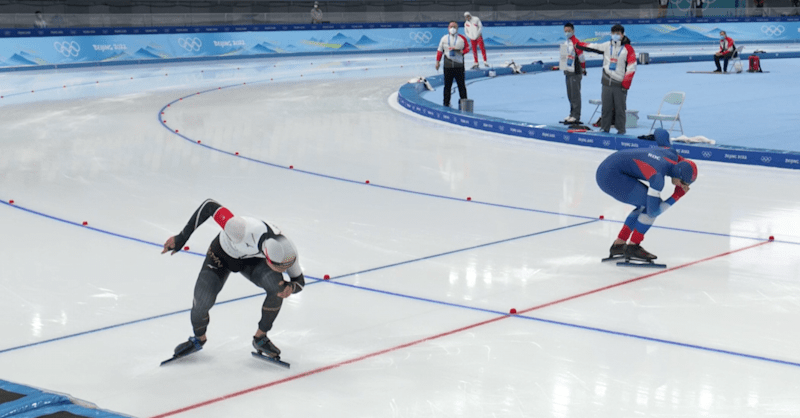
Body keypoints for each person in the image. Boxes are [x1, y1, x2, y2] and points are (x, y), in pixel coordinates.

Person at [161, 199, 305, 359]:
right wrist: (182, 237)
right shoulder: (239, 229)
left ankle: (260, 338)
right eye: (282, 268)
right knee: (202, 300)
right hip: (221, 255)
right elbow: (209, 206)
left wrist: (290, 288)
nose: (285, 270)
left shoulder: (288, 252)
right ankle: (198, 339)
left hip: (252, 261)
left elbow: (299, 281)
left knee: (277, 287)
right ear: (269, 259)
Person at [596, 129, 698, 261]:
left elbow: (660, 132)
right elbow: (653, 211)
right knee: (650, 206)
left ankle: (619, 244)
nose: (682, 186)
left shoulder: (671, 153)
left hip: (612, 167)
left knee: (644, 203)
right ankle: (633, 247)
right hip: (610, 177)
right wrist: (676, 196)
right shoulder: (657, 177)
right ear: (678, 176)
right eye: (683, 183)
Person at [576, 24, 636, 135]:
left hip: (620, 84)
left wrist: (626, 83)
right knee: (606, 109)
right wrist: (578, 44)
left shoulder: (628, 49)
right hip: (606, 83)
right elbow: (592, 46)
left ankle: (621, 131)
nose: (615, 35)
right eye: (613, 33)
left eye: (618, 33)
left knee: (620, 110)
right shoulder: (607, 45)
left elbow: (632, 66)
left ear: (623, 35)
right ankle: (604, 129)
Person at [435, 21, 471, 108]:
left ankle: (464, 103)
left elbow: (467, 48)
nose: (453, 28)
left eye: (455, 27)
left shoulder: (462, 38)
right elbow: (440, 51)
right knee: (447, 86)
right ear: (448, 28)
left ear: (457, 28)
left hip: (459, 66)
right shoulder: (444, 38)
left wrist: (463, 51)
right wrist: (437, 61)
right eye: (451, 26)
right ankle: (446, 103)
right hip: (448, 66)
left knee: (461, 85)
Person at [560, 23, 587, 124]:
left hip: (575, 72)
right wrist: (562, 68)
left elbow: (581, 57)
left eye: (568, 31)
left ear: (573, 31)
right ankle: (571, 114)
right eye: (565, 31)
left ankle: (576, 116)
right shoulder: (565, 42)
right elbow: (563, 57)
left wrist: (583, 68)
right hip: (568, 71)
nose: (567, 33)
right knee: (570, 94)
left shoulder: (576, 42)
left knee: (575, 95)